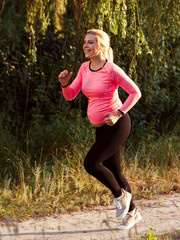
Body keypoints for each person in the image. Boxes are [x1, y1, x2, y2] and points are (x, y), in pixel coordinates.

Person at [58, 29, 142, 230]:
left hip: (117, 124)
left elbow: (135, 92)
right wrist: (64, 84)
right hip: (100, 127)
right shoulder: (84, 68)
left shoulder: (111, 69)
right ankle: (133, 213)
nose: (86, 46)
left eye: (90, 42)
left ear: (101, 46)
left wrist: (118, 113)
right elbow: (70, 95)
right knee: (115, 171)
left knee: (91, 163)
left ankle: (121, 196)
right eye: (85, 42)